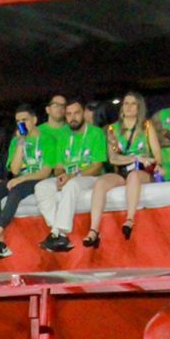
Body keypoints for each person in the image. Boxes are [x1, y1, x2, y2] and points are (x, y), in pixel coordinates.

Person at [84, 91, 160, 246]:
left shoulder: (146, 127)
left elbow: (158, 156)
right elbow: (113, 158)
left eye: (133, 104)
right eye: (126, 103)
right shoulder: (112, 129)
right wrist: (134, 158)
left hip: (141, 171)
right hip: (122, 170)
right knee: (101, 183)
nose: (129, 107)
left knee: (133, 177)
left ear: (139, 107)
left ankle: (130, 219)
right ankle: (93, 230)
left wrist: (147, 161)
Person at [33, 100, 108, 252]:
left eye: (76, 113)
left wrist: (73, 175)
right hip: (68, 176)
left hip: (89, 177)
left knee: (71, 185)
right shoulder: (63, 134)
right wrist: (61, 176)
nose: (73, 117)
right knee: (41, 187)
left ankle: (57, 232)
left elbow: (97, 165)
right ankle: (59, 234)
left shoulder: (95, 133)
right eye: (69, 114)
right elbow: (58, 167)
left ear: (84, 114)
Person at [0, 105, 52, 261]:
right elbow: (15, 170)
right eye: (18, 121)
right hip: (21, 178)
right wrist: (20, 143)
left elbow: (45, 172)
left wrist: (22, 179)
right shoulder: (16, 142)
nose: (21, 124)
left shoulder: (47, 139)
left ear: (35, 120)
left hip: (39, 179)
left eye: (24, 120)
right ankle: (1, 243)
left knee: (16, 190)